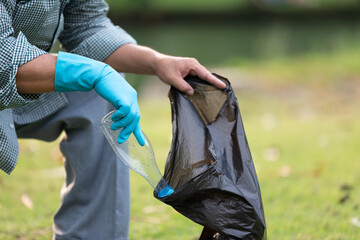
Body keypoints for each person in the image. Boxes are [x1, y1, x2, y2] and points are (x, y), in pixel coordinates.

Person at [0, 0, 226, 239]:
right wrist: (94, 73)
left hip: (22, 92)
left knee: (104, 91)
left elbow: (87, 27)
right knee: (94, 76)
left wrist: (157, 62)